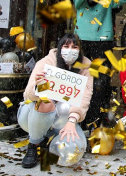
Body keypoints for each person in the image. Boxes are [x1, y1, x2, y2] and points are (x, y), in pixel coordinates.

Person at [18, 34, 93, 168]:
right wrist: (38, 86)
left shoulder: (86, 67)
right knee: (46, 102)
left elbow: (85, 98)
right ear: (59, 48)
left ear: (80, 50)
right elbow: (28, 96)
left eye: (74, 47)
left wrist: (72, 120)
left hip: (64, 117)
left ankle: (47, 138)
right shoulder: (45, 62)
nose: (70, 50)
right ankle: (33, 144)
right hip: (33, 115)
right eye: (66, 46)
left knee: (75, 146)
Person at [73, 0, 126, 129]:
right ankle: (79, 116)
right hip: (82, 42)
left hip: (102, 44)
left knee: (100, 83)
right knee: (80, 79)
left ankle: (97, 117)